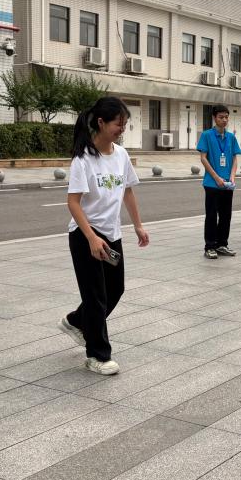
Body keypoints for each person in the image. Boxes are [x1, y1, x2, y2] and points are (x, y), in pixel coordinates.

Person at [58, 97, 148, 376]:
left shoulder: (121, 155)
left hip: (111, 233)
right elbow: (73, 202)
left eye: (125, 124)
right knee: (96, 296)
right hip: (86, 234)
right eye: (118, 124)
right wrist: (91, 238)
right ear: (100, 122)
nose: (122, 129)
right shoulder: (83, 159)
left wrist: (137, 225)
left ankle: (77, 321)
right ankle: (97, 355)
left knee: (115, 289)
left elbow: (127, 191)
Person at [197, 105, 240, 259]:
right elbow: (203, 158)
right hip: (212, 183)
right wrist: (216, 178)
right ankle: (209, 246)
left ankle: (222, 244)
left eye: (226, 117)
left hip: (227, 184)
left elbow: (235, 158)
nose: (224, 120)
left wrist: (232, 177)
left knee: (226, 215)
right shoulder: (207, 135)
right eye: (221, 117)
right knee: (211, 215)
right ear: (214, 118)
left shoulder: (231, 137)